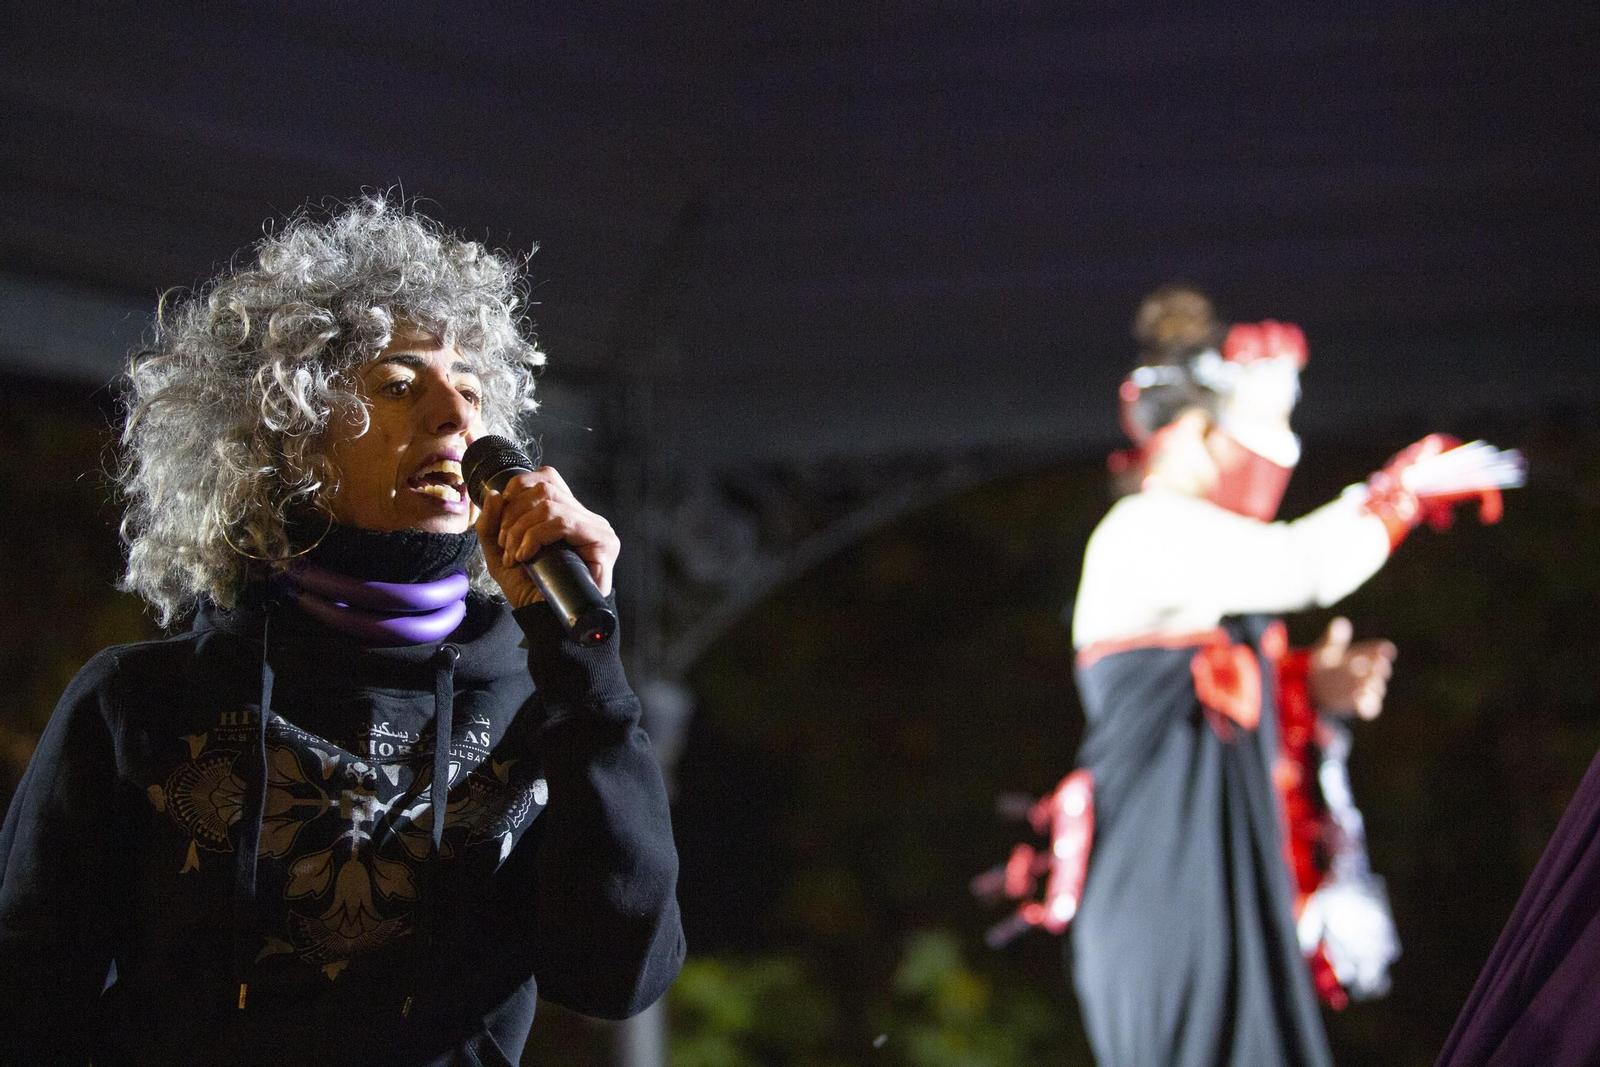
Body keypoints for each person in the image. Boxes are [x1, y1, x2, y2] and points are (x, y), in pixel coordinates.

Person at [0, 196, 685, 1066]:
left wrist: (583, 660)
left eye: (471, 389)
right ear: (285, 434)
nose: (454, 416)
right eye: (400, 384)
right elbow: (26, 1003)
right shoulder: (139, 702)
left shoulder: (539, 699)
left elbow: (618, 976)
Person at [1064, 287, 1500, 1067]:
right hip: (1166, 904)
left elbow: (1194, 709)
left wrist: (1301, 687)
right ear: (1197, 432)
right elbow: (1305, 566)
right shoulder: (1143, 531)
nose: (1275, 466)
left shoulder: (1204, 565)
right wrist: (1396, 495)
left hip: (1217, 895)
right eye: (1262, 442)